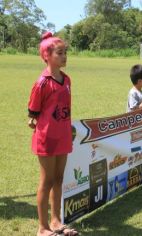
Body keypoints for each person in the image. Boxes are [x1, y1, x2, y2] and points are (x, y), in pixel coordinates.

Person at [28, 32, 78, 236]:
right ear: (46, 55)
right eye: (60, 53)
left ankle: (56, 221)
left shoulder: (66, 79)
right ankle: (42, 228)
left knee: (58, 178)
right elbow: (33, 110)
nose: (64, 56)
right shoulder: (42, 82)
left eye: (65, 52)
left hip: (63, 135)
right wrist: (33, 119)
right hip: (47, 138)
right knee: (47, 180)